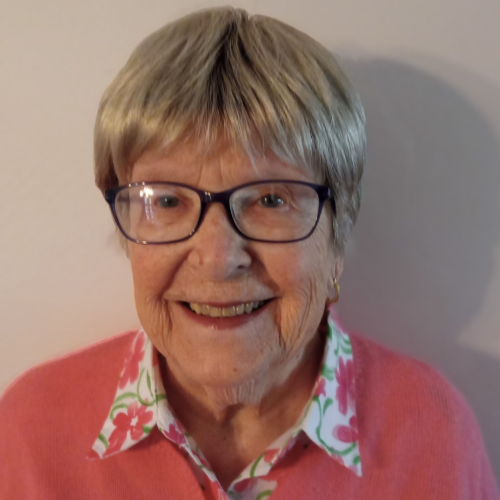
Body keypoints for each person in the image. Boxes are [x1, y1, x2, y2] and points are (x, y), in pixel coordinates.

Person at [0, 6, 498, 500]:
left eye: (270, 200)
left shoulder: (433, 431)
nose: (218, 258)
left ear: (339, 232)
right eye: (168, 200)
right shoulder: (32, 432)